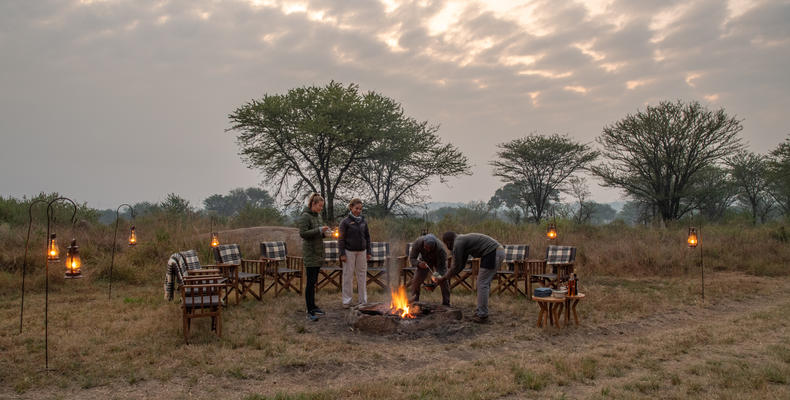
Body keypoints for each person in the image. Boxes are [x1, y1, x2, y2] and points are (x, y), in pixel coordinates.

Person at [435, 231, 504, 323]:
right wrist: (447, 277)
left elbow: (455, 266)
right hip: (495, 252)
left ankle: (482, 315)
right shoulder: (461, 241)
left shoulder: (458, 243)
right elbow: (460, 265)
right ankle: (481, 312)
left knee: (482, 283)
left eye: (445, 244)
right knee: (483, 283)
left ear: (448, 242)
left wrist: (443, 278)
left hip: (492, 252)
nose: (447, 247)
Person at [298, 193, 331, 321]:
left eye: (322, 206)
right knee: (310, 283)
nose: (321, 208)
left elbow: (319, 233)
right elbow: (303, 233)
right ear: (313, 204)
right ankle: (309, 310)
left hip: (318, 253)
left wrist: (325, 234)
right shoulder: (305, 216)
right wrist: (319, 230)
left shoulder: (318, 216)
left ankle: (313, 306)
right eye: (320, 206)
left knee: (314, 282)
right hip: (310, 253)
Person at [338, 198, 372, 308]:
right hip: (349, 252)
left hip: (362, 251)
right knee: (348, 276)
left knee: (362, 276)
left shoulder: (363, 221)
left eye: (360, 209)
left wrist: (368, 251)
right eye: (356, 208)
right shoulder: (345, 222)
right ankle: (347, 301)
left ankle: (363, 301)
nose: (358, 211)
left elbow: (367, 237)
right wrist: (342, 253)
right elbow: (341, 239)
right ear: (351, 207)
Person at [408, 233, 450, 306]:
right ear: (423, 242)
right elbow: (412, 259)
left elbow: (442, 268)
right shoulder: (418, 243)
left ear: (434, 246)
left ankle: (446, 303)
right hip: (424, 262)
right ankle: (414, 301)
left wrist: (435, 282)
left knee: (443, 280)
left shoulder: (441, 249)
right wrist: (418, 264)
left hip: (438, 263)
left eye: (430, 248)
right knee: (416, 280)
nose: (427, 250)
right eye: (426, 247)